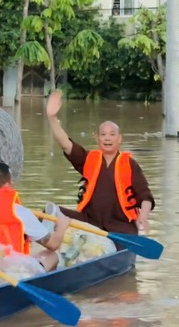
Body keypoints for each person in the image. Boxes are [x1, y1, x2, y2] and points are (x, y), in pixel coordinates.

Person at [46, 90, 155, 235]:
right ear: (97, 139)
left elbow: (145, 197)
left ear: (119, 139)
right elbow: (66, 144)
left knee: (123, 239)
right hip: (89, 222)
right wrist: (52, 117)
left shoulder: (130, 164)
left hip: (121, 226)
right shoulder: (89, 158)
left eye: (112, 134)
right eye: (103, 135)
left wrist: (143, 217)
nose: (107, 138)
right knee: (50, 212)